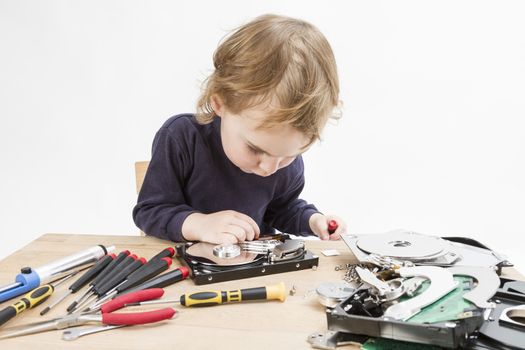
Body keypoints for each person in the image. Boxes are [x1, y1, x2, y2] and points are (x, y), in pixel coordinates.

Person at [133, 14, 347, 245]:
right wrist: (199, 224)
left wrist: (312, 220)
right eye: (255, 149)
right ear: (220, 103)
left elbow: (281, 209)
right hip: (185, 269)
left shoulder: (283, 161)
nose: (270, 167)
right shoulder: (181, 138)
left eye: (289, 154)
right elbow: (150, 211)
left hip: (252, 270)